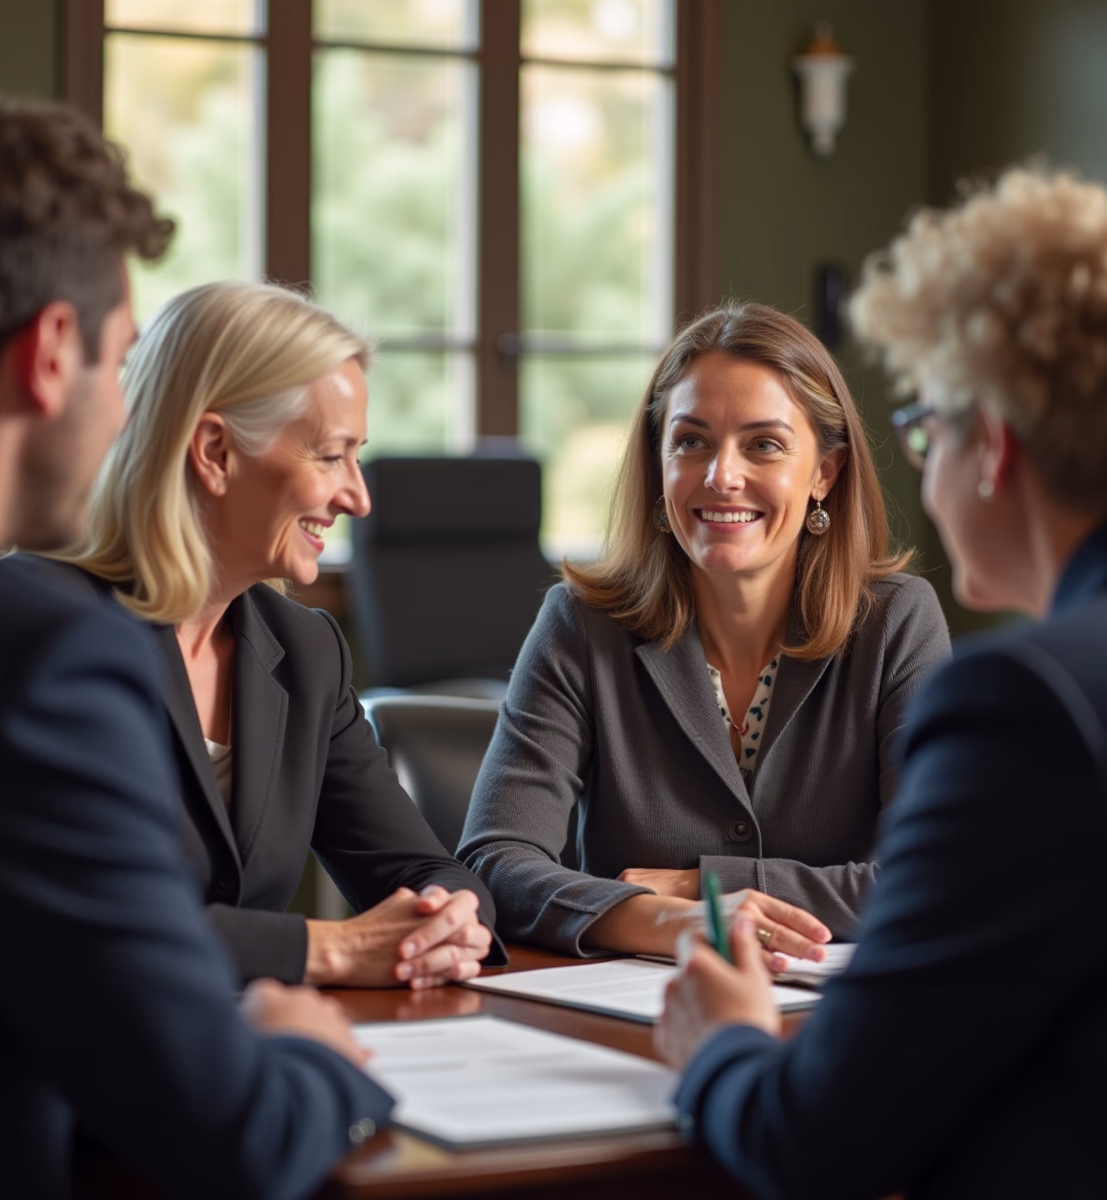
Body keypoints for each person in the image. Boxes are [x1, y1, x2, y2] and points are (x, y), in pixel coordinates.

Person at [0, 83, 393, 1199]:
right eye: (121, 364)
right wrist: (308, 1053)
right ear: (48, 352)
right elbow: (233, 1134)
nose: (132, 417)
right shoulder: (29, 658)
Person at [657, 168, 1107, 1199]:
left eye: (929, 432)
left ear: (990, 446)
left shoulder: (1027, 708)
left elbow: (812, 1141)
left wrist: (723, 1042)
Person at [44, 279, 501, 989]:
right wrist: (332, 949)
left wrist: (447, 919)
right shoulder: (46, 632)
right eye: (329, 455)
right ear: (216, 451)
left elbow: (418, 869)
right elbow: (83, 916)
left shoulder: (307, 652)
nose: (358, 495)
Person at [458, 301, 949, 961]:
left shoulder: (896, 622)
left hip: (841, 1020)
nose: (722, 475)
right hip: (630, 1013)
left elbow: (938, 877)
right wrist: (662, 922)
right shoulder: (581, 626)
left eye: (764, 445)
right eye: (691, 441)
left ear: (824, 475)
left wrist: (707, 886)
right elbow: (495, 860)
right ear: (660, 467)